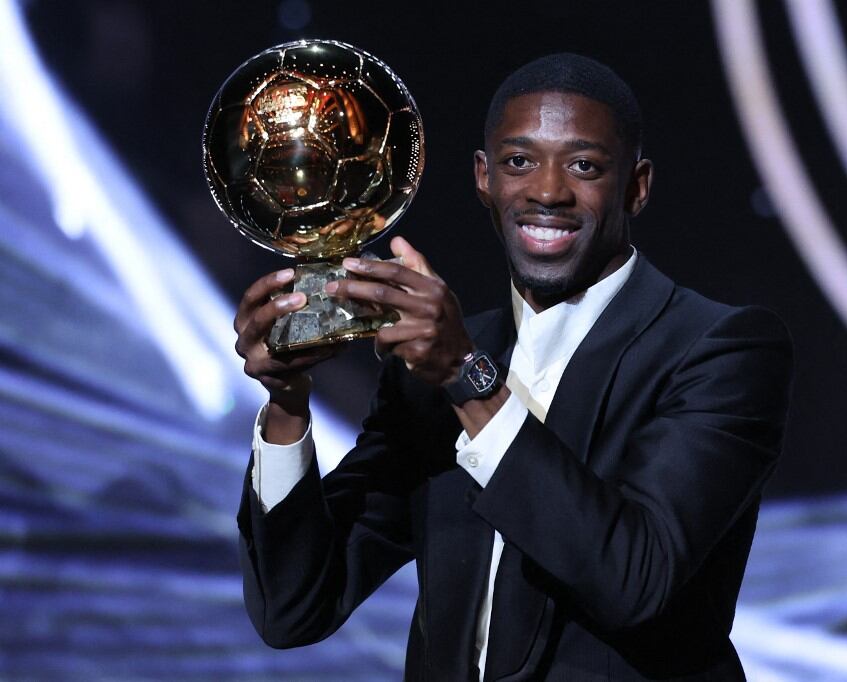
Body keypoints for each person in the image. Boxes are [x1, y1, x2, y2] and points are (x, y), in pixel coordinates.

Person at [233, 53, 792, 681]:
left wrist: (466, 378)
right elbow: (294, 608)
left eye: (584, 166)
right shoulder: (435, 364)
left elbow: (636, 580)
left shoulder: (720, 349)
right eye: (519, 162)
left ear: (636, 186)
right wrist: (287, 402)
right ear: (483, 178)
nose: (547, 191)